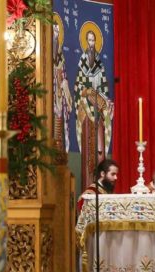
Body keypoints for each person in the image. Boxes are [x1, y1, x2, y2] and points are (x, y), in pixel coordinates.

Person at [74, 28, 113, 190]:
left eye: (93, 41)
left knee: (99, 148)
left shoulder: (99, 64)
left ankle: (100, 184)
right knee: (88, 150)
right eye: (89, 40)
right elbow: (78, 88)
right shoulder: (82, 62)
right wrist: (87, 92)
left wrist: (105, 101)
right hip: (86, 112)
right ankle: (88, 185)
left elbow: (104, 87)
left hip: (98, 112)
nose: (91, 44)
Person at [52, 17, 72, 155]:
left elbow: (63, 74)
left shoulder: (60, 56)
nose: (56, 34)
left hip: (59, 95)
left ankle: (59, 152)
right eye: (54, 30)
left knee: (59, 124)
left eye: (58, 31)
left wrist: (64, 86)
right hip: (50, 96)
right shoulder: (46, 54)